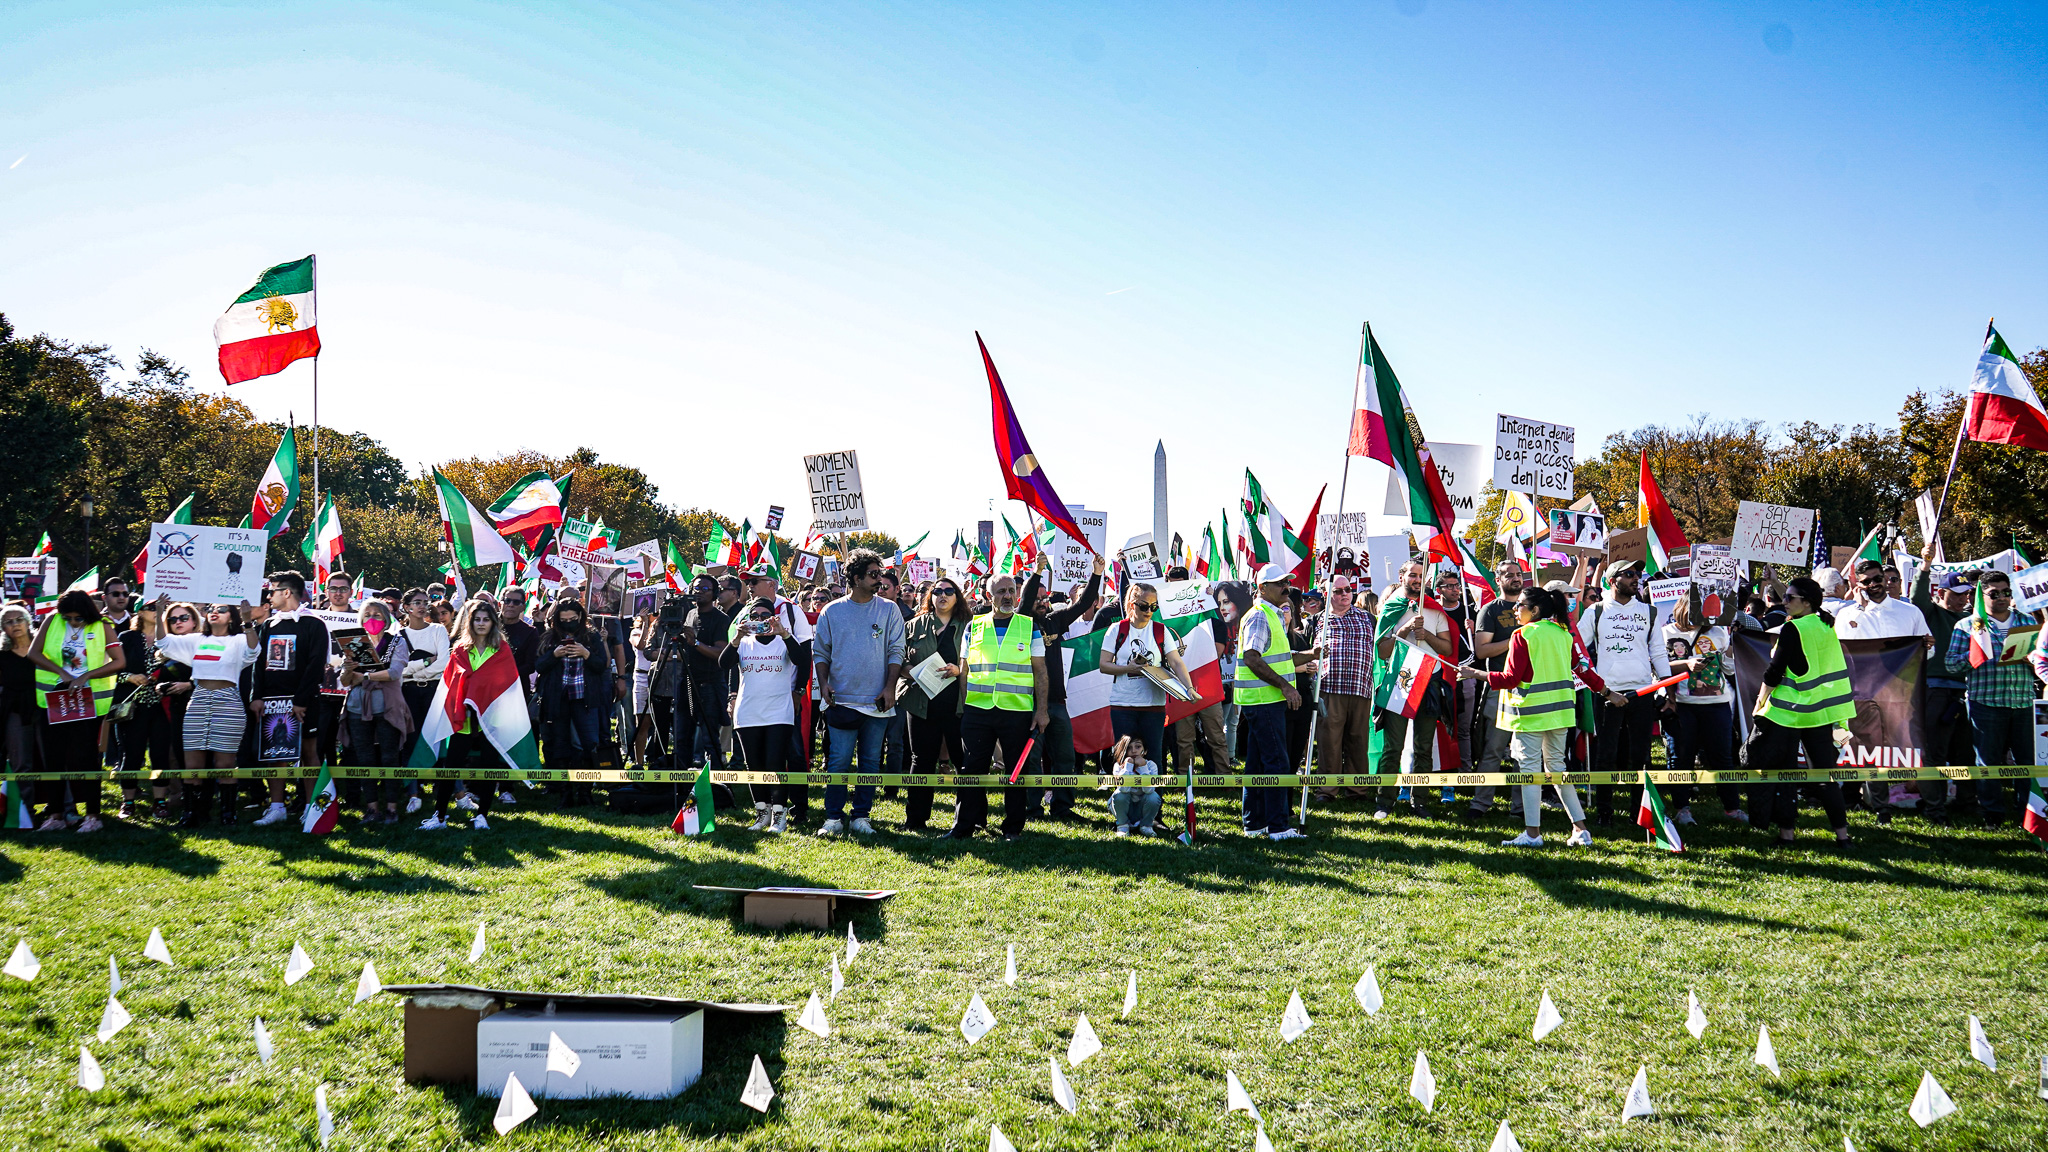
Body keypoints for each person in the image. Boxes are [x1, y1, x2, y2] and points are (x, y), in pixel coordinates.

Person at [1454, 585, 1621, 846]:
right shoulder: (1563, 634)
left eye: (1519, 605)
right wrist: (1609, 693)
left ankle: (1533, 835)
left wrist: (1475, 674)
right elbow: (1583, 670)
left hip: (1530, 714)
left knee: (1530, 773)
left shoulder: (1523, 635)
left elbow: (1510, 679)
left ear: (1534, 610)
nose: (1514, 609)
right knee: (1558, 771)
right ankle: (1580, 830)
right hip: (1561, 714)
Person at [1750, 576, 1854, 845]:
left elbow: (1774, 671)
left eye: (1789, 598)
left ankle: (1787, 835)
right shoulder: (1825, 623)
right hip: (1820, 712)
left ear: (1806, 603)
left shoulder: (1793, 629)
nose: (1783, 601)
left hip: (1788, 713)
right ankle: (1843, 836)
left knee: (1785, 775)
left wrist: (1760, 702)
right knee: (1825, 775)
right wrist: (1775, 580)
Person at [811, 550, 904, 836]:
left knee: (870, 762)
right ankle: (833, 817)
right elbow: (820, 652)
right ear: (855, 578)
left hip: (877, 702)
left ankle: (861, 816)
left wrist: (890, 687)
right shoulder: (832, 610)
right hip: (841, 701)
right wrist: (823, 683)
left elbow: (896, 651)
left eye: (880, 573)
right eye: (874, 574)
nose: (880, 580)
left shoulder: (890, 609)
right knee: (838, 761)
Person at [1832, 557, 1933, 819]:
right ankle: (1881, 806)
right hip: (1864, 693)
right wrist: (1861, 609)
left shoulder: (1909, 612)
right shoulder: (1847, 615)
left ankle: (1932, 805)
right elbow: (1842, 655)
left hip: (1902, 693)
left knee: (1911, 744)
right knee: (1870, 749)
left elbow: (1925, 655)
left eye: (1880, 578)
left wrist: (1927, 647)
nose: (1876, 584)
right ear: (1858, 583)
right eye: (1868, 581)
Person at [950, 571, 1044, 840]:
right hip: (978, 710)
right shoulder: (974, 626)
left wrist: (1041, 710)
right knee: (971, 770)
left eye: (1012, 591)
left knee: (1015, 771)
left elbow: (1041, 671)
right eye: (1001, 591)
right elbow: (965, 670)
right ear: (988, 596)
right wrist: (966, 705)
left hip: (1016, 710)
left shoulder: (1030, 626)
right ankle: (965, 826)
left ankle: (1013, 828)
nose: (1008, 596)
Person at [1576, 560, 1670, 827]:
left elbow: (1659, 653)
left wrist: (1666, 688)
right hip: (1607, 694)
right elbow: (1579, 649)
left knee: (1640, 756)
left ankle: (1638, 813)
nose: (1636, 578)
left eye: (1637, 574)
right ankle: (1604, 812)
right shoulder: (1595, 612)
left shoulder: (1649, 611)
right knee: (1605, 755)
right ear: (1611, 581)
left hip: (1642, 692)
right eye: (1629, 574)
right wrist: (1595, 683)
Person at [29, 590, 128, 831]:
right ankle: (55, 815)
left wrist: (86, 675)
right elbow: (33, 652)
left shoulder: (103, 626)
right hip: (53, 698)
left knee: (85, 757)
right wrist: (61, 672)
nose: (73, 622)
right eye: (68, 618)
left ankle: (93, 815)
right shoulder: (52, 620)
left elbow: (119, 661)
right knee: (53, 757)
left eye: (78, 618)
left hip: (89, 702)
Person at [1019, 551, 1105, 820]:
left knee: (1065, 758)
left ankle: (1063, 807)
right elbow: (1024, 600)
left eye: (1046, 598)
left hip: (1057, 702)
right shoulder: (1021, 622)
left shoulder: (1055, 620)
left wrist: (1097, 574)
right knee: (1032, 759)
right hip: (1030, 703)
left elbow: (1083, 604)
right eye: (1039, 599)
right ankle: (1032, 809)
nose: (1044, 602)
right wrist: (1037, 572)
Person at [154, 602, 253, 827]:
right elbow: (163, 642)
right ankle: (190, 814)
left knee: (224, 762)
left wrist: (247, 622)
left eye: (222, 609)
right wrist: (161, 613)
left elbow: (254, 650)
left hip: (228, 700)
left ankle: (228, 814)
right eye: (211, 609)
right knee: (193, 763)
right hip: (198, 700)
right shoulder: (197, 640)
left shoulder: (238, 639)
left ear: (231, 617)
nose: (215, 612)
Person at [1949, 569, 2036, 822]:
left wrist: (2033, 660)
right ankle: (1993, 815)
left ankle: (2028, 814)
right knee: (1987, 763)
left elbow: (2042, 660)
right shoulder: (1967, 625)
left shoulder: (2026, 621)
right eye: (1994, 593)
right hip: (1985, 703)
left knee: (2027, 762)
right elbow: (1951, 664)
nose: (2001, 597)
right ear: (1981, 594)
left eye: (2005, 592)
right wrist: (1974, 656)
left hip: (2022, 702)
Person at [421, 599, 515, 830]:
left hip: (491, 719)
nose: (481, 624)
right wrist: (471, 688)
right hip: (462, 719)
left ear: (494, 622)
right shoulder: (461, 648)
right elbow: (453, 680)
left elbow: (506, 681)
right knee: (450, 767)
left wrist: (479, 686)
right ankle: (440, 816)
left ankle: (482, 815)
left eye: (486, 619)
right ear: (469, 622)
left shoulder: (502, 649)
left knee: (488, 767)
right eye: (476, 619)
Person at [1371, 560, 1454, 819]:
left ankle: (1420, 801)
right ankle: (1384, 801)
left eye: (1422, 575)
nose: (1418, 579)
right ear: (1402, 576)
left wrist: (1427, 635)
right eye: (1413, 574)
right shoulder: (1391, 608)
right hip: (1401, 681)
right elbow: (1382, 651)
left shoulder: (1435, 609)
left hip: (1429, 681)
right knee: (1393, 746)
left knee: (1423, 746)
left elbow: (1448, 649)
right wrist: (1404, 630)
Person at [248, 572, 331, 828]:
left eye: (272, 591)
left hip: (303, 702)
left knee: (309, 753)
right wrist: (257, 696)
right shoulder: (269, 625)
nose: (268, 596)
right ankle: (277, 807)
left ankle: (310, 807)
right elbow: (259, 663)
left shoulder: (313, 624)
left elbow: (317, 665)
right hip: (273, 700)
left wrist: (301, 700)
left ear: (287, 592)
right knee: (275, 754)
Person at [1097, 582, 1194, 798]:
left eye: (1154, 607)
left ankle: (1154, 815)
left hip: (1154, 706)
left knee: (1154, 759)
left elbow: (1177, 662)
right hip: (1123, 705)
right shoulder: (1117, 630)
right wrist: (1128, 668)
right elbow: (1104, 664)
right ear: (1132, 605)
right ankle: (1125, 814)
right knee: (1124, 760)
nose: (1149, 611)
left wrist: (1189, 688)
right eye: (1144, 606)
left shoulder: (1161, 631)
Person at [1235, 564, 1307, 840]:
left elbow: (1276, 656)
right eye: (1279, 583)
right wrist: (1287, 687)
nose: (1286, 587)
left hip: (1261, 700)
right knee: (1276, 762)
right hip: (1265, 700)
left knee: (1257, 764)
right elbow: (1252, 657)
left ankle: (1254, 824)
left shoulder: (1270, 615)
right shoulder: (1260, 616)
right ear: (1262, 588)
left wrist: (1309, 654)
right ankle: (1278, 827)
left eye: (1286, 581)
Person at [1661, 594, 1745, 825]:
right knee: (1681, 757)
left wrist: (1729, 651)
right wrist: (1686, 664)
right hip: (1682, 705)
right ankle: (1682, 809)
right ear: (1685, 608)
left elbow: (1727, 668)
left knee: (1722, 757)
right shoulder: (1666, 633)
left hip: (1717, 704)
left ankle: (1732, 809)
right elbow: (1658, 665)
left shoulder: (1719, 631)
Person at [898, 577, 971, 831]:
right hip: (921, 701)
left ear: (957, 596)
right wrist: (911, 671)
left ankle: (968, 820)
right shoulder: (914, 625)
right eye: (937, 591)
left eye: (949, 591)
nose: (942, 595)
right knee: (921, 760)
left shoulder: (970, 626)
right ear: (930, 596)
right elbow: (899, 657)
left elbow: (980, 661)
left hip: (958, 704)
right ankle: (915, 820)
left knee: (964, 762)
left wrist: (959, 670)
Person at [731, 596, 808, 832]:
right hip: (748, 712)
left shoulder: (784, 641)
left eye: (766, 616)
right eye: (755, 617)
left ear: (774, 617)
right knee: (753, 765)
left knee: (775, 764)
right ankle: (761, 813)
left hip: (778, 712)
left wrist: (784, 633)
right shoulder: (743, 642)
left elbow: (802, 660)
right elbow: (724, 664)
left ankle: (779, 815)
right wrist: (736, 638)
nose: (761, 621)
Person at [337, 598, 413, 824]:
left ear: (386, 619)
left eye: (377, 615)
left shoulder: (396, 642)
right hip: (357, 706)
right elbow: (345, 680)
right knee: (364, 756)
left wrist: (366, 676)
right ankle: (371, 808)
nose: (372, 619)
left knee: (390, 756)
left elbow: (394, 672)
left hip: (387, 704)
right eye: (367, 614)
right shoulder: (355, 643)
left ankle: (391, 808)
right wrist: (348, 670)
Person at [1910, 566, 1974, 824]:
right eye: (1957, 594)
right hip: (1934, 691)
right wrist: (1924, 569)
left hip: (1965, 692)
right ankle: (1934, 809)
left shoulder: (1972, 619)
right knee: (1934, 752)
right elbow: (1917, 598)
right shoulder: (1930, 614)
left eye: (1967, 594)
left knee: (1965, 752)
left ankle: (1967, 802)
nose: (1963, 599)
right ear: (1940, 592)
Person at [535, 598, 612, 809]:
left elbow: (600, 666)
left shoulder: (591, 636)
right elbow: (539, 665)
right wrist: (555, 654)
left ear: (580, 618)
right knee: (561, 746)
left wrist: (585, 653)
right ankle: (565, 793)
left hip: (584, 699)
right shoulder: (550, 637)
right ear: (557, 620)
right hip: (558, 699)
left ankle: (585, 791)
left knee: (587, 745)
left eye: (573, 619)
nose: (569, 623)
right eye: (564, 620)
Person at [1467, 561, 1527, 817]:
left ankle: (1521, 808)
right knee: (1492, 749)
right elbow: (1482, 650)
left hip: (1529, 688)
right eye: (1509, 575)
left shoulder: (1532, 607)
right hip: (1500, 687)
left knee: (1523, 754)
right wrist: (1515, 639)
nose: (1515, 578)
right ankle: (1480, 804)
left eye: (1518, 574)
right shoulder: (1490, 610)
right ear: (1498, 579)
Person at [113, 601, 177, 821]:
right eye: (152, 607)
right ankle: (128, 802)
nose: (157, 611)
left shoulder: (169, 639)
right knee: (131, 755)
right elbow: (111, 670)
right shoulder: (126, 638)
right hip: (133, 706)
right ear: (139, 612)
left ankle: (159, 801)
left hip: (161, 706)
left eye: (161, 607)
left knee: (160, 755)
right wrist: (130, 677)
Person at [1312, 577, 1375, 800]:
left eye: (1348, 589)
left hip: (1361, 688)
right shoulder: (1317, 620)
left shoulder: (1368, 618)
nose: (1345, 594)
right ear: (1326, 594)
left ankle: (1357, 790)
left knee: (1358, 741)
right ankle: (1327, 790)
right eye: (1338, 591)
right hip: (1330, 688)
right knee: (1329, 743)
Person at [2, 605, 44, 789]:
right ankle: (24, 811)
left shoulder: (44, 648)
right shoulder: (2, 655)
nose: (15, 624)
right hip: (15, 711)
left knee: (53, 759)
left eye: (19, 619)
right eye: (9, 622)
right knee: (21, 763)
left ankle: (63, 809)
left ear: (28, 623)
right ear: (3, 628)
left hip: (46, 709)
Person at [1106, 733, 1161, 836]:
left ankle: (1146, 826)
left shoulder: (1151, 765)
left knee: (1153, 796)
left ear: (1145, 750)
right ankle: (1122, 826)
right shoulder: (1118, 766)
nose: (1134, 751)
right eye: (1129, 748)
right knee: (1119, 794)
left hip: (1142, 807)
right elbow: (1123, 789)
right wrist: (1127, 767)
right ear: (1124, 751)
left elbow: (1149, 790)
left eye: (1138, 746)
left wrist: (1143, 767)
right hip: (1125, 806)